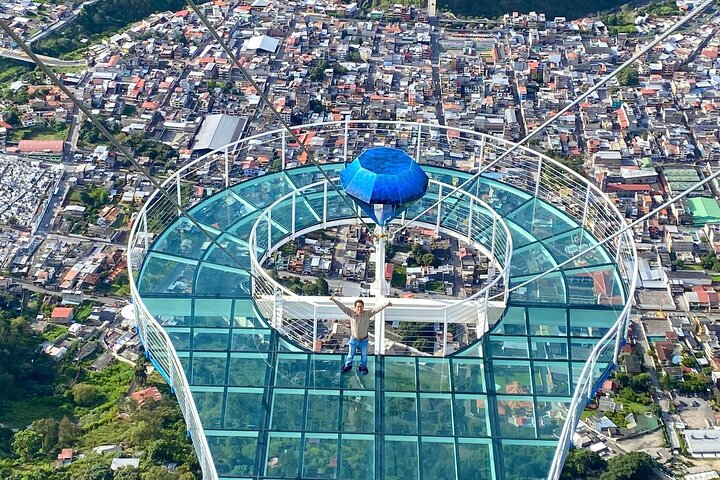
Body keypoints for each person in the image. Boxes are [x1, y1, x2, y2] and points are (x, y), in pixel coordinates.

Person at [330, 295, 391, 375]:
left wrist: (386, 304)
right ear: (355, 307)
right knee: (350, 355)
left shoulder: (367, 314)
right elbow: (343, 308)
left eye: (361, 307)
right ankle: (348, 366)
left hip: (364, 340)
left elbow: (376, 309)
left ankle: (363, 367)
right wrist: (334, 300)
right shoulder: (351, 314)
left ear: (363, 307)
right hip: (354, 339)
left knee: (364, 356)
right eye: (358, 307)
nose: (359, 308)